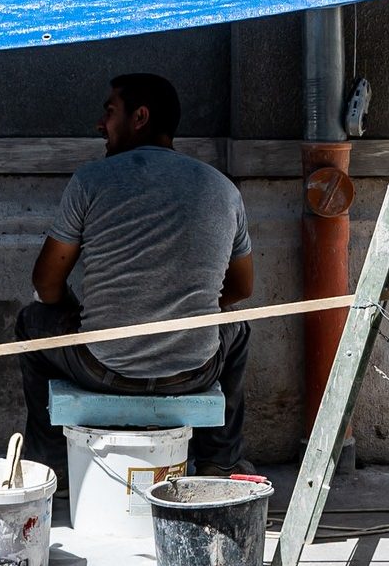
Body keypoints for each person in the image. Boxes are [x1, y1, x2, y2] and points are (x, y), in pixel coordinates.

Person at [17, 73, 256, 480]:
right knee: (239, 331)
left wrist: (79, 314)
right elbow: (242, 288)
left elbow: (46, 285)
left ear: (140, 116)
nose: (100, 125)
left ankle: (52, 465)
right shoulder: (223, 189)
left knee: (31, 322)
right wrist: (186, 314)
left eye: (110, 112)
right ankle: (220, 459)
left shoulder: (91, 181)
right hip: (193, 369)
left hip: (101, 366)